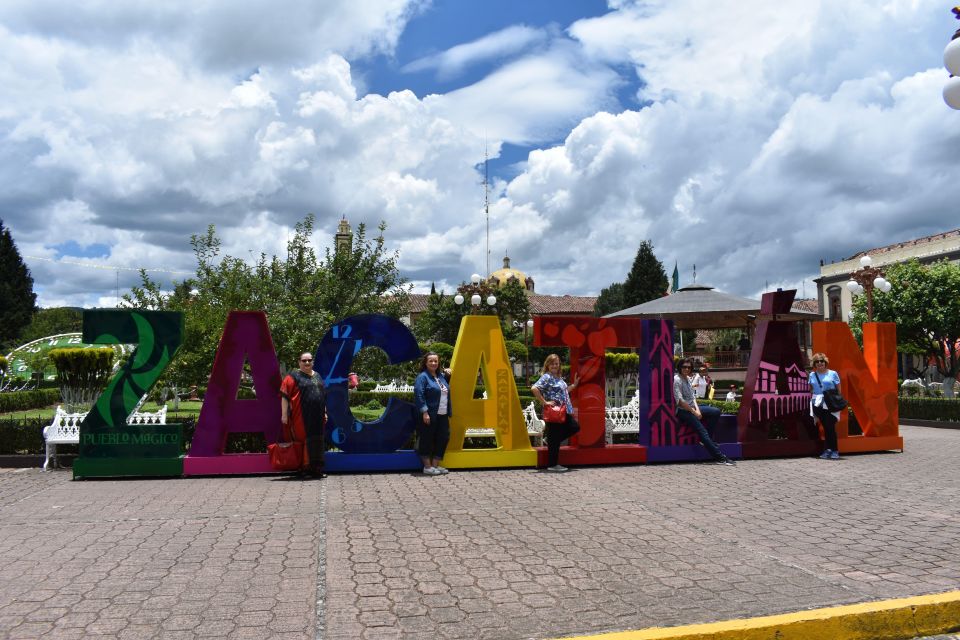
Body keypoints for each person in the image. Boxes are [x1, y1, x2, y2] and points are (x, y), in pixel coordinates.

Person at [674, 358, 735, 465]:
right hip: (683, 410)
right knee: (702, 432)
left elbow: (692, 397)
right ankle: (721, 458)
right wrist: (694, 412)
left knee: (715, 411)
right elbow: (680, 401)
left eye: (689, 367)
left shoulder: (688, 379)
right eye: (684, 367)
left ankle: (706, 441)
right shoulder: (677, 379)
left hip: (692, 407)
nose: (686, 369)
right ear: (679, 367)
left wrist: (697, 410)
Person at [531, 354, 581, 472]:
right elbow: (534, 388)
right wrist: (544, 402)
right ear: (547, 365)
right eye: (552, 363)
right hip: (555, 412)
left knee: (574, 427)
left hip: (564, 411)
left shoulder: (558, 377)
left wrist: (573, 386)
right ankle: (552, 464)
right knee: (565, 432)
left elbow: (563, 391)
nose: (555, 365)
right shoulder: (547, 377)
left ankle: (551, 441)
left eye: (557, 363)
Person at [280, 352, 326, 477]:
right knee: (304, 440)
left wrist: (325, 412)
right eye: (304, 360)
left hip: (318, 416)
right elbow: (284, 396)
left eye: (309, 360)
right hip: (301, 416)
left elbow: (322, 395)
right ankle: (304, 469)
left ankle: (316, 469)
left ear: (312, 362)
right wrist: (284, 415)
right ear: (299, 362)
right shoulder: (292, 377)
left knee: (318, 440)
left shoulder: (317, 376)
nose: (307, 363)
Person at [414, 352, 453, 476]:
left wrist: (447, 374)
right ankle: (427, 466)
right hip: (429, 414)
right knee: (426, 438)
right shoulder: (422, 377)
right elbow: (419, 395)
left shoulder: (440, 376)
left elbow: (443, 389)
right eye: (431, 361)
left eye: (436, 361)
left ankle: (435, 465)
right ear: (425, 363)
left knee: (444, 437)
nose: (433, 363)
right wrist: (425, 412)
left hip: (443, 413)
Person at [809, 353, 842, 460]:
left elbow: (838, 389)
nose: (820, 363)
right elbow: (811, 389)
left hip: (830, 404)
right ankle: (828, 450)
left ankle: (834, 450)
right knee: (825, 428)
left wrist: (838, 401)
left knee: (830, 427)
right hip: (818, 404)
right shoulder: (812, 375)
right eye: (817, 361)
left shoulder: (833, 373)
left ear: (825, 362)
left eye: (822, 361)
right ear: (814, 364)